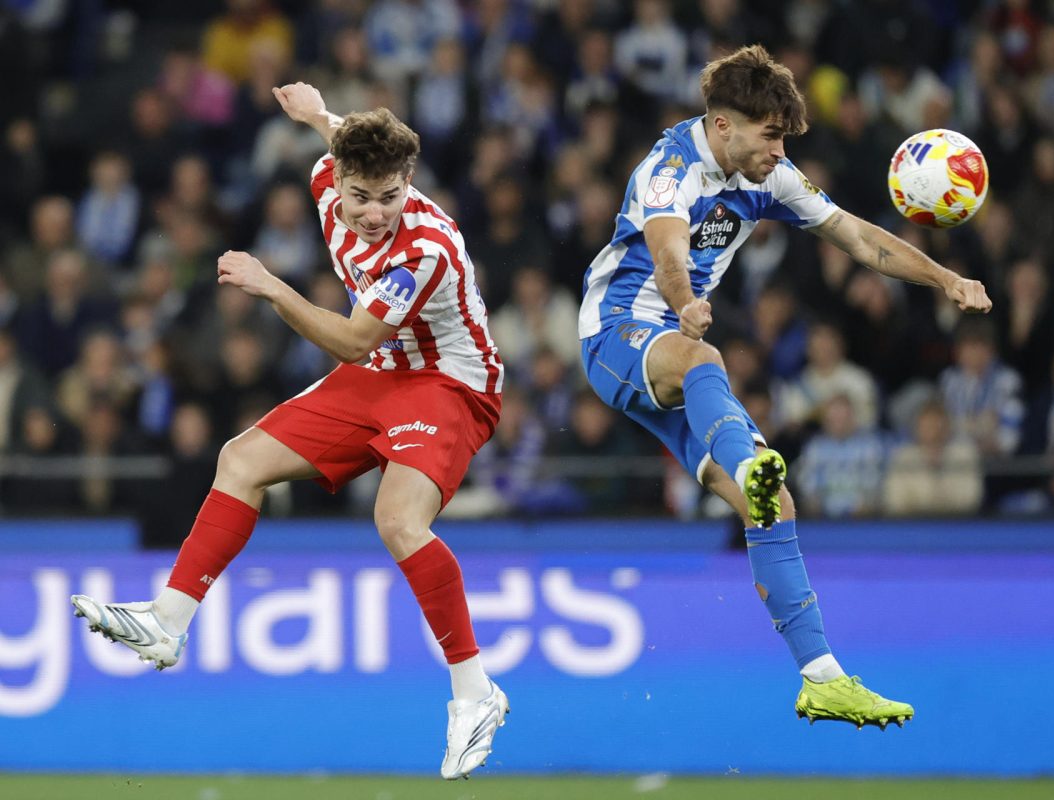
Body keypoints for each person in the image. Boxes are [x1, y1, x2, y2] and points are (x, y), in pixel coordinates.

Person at [70, 83, 507, 780]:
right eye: (361, 196)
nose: (374, 213)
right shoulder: (328, 177)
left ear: (409, 183)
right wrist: (317, 113)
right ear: (339, 179)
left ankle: (474, 691)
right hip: (384, 372)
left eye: (390, 197)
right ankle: (167, 621)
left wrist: (271, 285)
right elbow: (338, 137)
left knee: (398, 521)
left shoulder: (424, 248)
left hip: (450, 382)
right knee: (240, 459)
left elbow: (353, 341)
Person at [578, 45, 992, 730]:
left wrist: (944, 279)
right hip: (616, 330)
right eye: (770, 135)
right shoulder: (669, 170)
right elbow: (668, 250)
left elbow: (857, 237)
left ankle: (822, 678)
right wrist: (684, 303)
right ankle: (749, 463)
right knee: (704, 360)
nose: (779, 151)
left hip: (676, 345)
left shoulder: (770, 177)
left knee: (773, 508)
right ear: (722, 125)